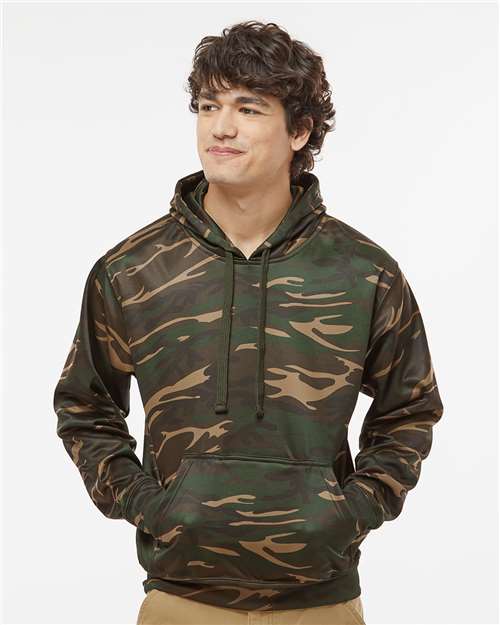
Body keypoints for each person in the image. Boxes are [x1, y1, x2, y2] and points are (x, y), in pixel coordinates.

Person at [53, 20, 444, 625]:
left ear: (300, 130)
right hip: (180, 600)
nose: (221, 127)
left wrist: (348, 513)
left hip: (321, 602)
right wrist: (150, 506)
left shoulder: (363, 272)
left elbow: (409, 412)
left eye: (248, 107)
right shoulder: (132, 269)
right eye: (209, 105)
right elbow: (85, 408)